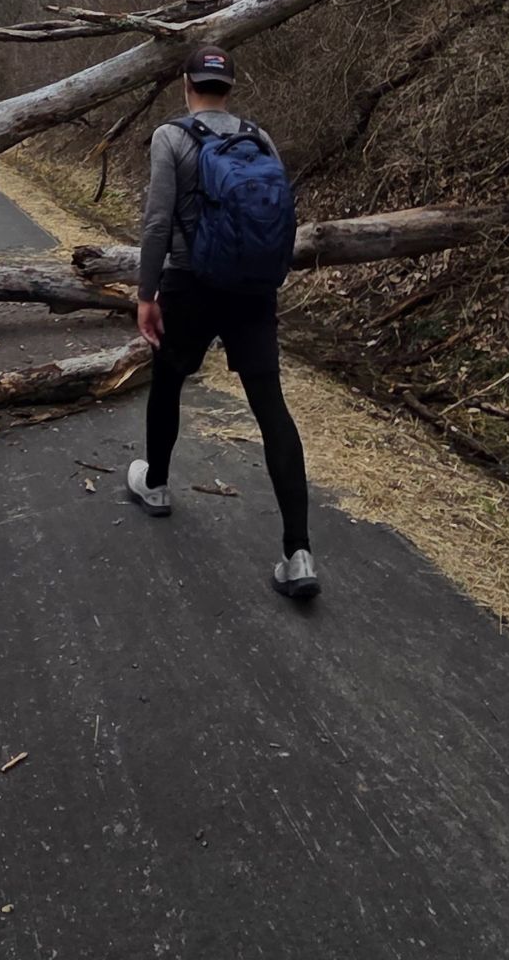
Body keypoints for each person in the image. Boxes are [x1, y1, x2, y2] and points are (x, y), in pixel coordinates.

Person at [126, 43, 318, 600]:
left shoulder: (171, 137)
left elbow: (157, 222)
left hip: (190, 284)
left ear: (187, 86)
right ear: (230, 88)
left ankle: (156, 485)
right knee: (271, 408)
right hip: (252, 290)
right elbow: (279, 219)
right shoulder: (259, 139)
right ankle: (298, 554)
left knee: (168, 382)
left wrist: (146, 293)